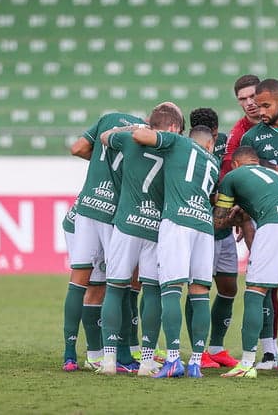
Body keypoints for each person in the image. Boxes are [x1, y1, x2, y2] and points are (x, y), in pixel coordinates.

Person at [214, 146, 278, 378]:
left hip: (276, 224)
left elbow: (218, 221)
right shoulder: (276, 175)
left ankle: (247, 363)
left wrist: (235, 219)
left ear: (236, 164)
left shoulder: (232, 176)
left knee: (255, 292)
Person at [99, 104, 184, 377]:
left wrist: (134, 127)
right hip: (155, 228)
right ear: (173, 128)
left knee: (115, 287)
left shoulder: (128, 137)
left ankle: (108, 360)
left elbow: (104, 136)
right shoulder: (176, 146)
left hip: (126, 224)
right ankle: (147, 362)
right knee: (152, 291)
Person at [131, 125, 220, 379]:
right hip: (204, 226)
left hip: (178, 222)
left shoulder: (178, 143)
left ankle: (172, 360)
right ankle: (195, 362)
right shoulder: (213, 161)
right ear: (209, 144)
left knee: (171, 288)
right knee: (200, 293)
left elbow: (141, 136)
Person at [63, 111, 147, 373]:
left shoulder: (108, 118)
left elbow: (77, 148)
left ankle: (73, 355)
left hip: (84, 208)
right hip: (113, 212)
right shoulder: (144, 135)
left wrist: (101, 162)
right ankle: (121, 355)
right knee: (119, 281)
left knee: (80, 282)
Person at [238, 78, 278, 371]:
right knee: (265, 285)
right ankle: (269, 350)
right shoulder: (252, 137)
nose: (257, 109)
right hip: (266, 220)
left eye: (264, 104)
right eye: (252, 103)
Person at [188, 108, 241, 370]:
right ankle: (197, 349)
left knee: (229, 287)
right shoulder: (186, 151)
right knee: (198, 289)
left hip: (224, 230)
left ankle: (216, 348)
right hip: (199, 231)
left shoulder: (225, 144)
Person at [220, 74, 262, 179]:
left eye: (253, 96)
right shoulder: (238, 134)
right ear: (239, 101)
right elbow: (226, 173)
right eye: (243, 99)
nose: (249, 103)